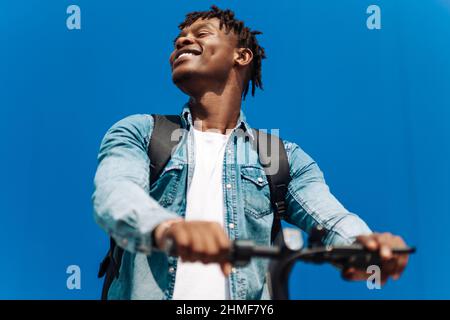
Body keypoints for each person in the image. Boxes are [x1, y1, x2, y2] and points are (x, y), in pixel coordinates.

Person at [92, 5, 409, 300]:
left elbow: (331, 219)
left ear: (241, 56)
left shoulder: (281, 156)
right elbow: (116, 193)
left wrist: (364, 246)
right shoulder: (141, 131)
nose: (182, 41)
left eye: (201, 33)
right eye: (178, 40)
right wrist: (168, 228)